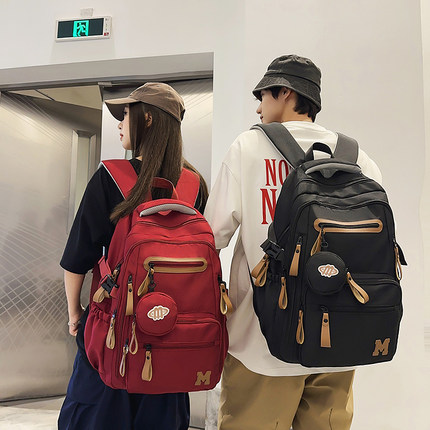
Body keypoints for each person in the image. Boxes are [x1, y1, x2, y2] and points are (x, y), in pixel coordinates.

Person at [204, 55, 382, 430]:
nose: (258, 107)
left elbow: (211, 235)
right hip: (339, 340)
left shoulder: (248, 147)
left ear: (285, 93)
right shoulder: (358, 157)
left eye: (263, 96)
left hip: (262, 342)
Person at [58, 82, 208, 430]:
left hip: (113, 330)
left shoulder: (110, 178)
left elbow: (77, 257)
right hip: (172, 331)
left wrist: (75, 314)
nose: (120, 123)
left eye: (125, 114)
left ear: (148, 119)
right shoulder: (194, 185)